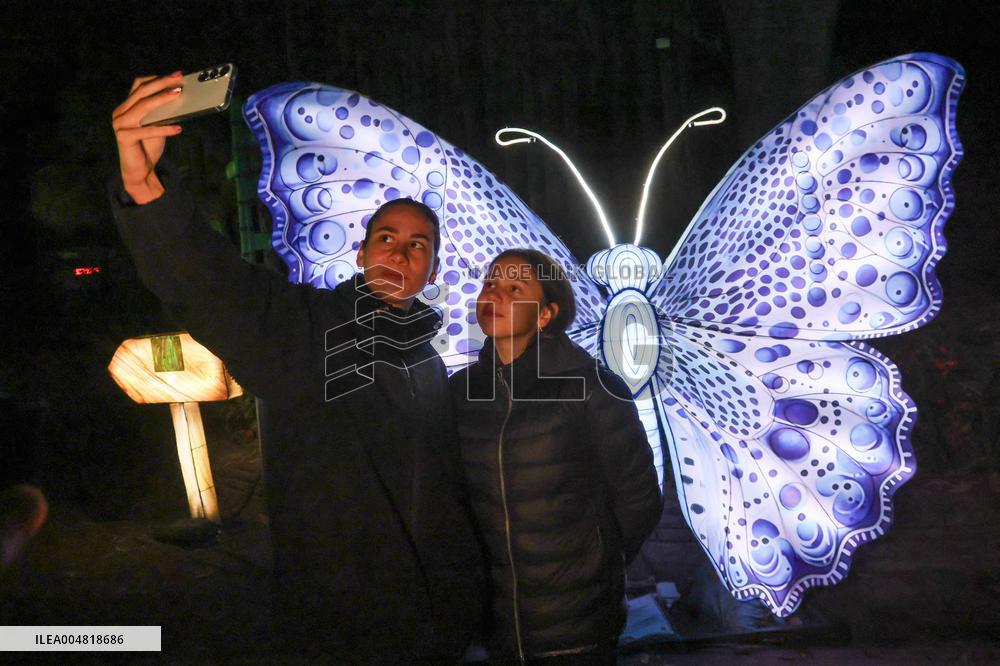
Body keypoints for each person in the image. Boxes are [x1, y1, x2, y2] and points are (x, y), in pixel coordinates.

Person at [109, 72, 483, 662]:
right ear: (361, 253)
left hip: (434, 621)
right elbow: (219, 289)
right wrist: (147, 189)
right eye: (386, 237)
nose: (400, 251)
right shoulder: (313, 331)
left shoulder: (426, 356)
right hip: (351, 628)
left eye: (418, 244)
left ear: (431, 270)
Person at [449, 249, 663, 664]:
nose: (494, 295)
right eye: (490, 283)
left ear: (546, 314)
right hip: (498, 630)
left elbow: (639, 499)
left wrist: (597, 565)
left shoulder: (591, 386)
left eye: (515, 288)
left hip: (577, 630)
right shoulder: (462, 392)